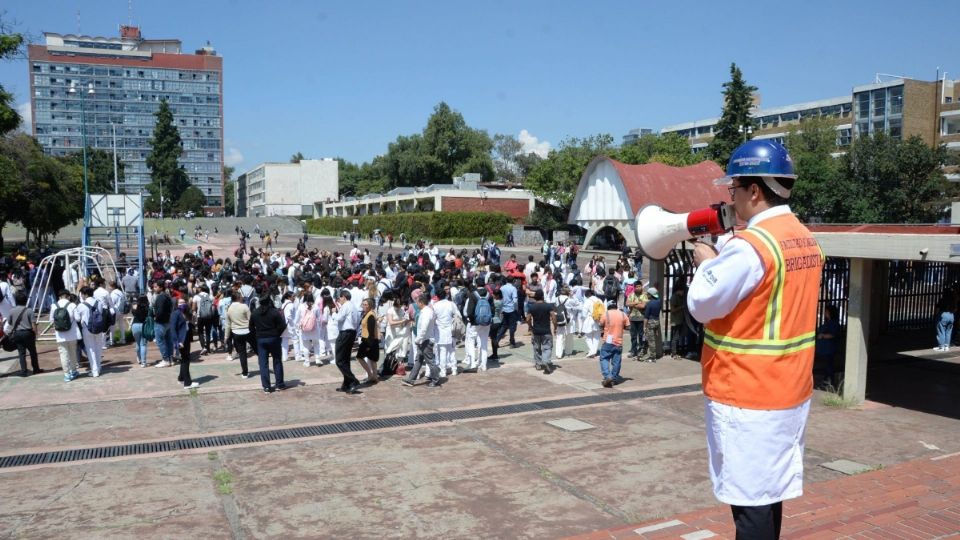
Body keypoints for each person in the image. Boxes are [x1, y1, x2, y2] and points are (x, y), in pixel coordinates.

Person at [688, 140, 822, 538]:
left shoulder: (751, 248)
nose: (731, 197)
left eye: (734, 189)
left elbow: (701, 303)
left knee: (749, 506)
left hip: (747, 394)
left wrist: (707, 264)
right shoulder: (802, 237)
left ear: (754, 191)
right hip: (788, 391)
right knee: (769, 494)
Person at [402, 293, 441, 388]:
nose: (416, 303)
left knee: (430, 361)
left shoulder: (427, 312)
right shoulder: (425, 311)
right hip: (424, 339)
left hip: (426, 340)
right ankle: (411, 379)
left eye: (417, 302)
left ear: (421, 302)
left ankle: (436, 379)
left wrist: (418, 339)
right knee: (418, 360)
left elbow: (424, 327)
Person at [251, 295, 287, 393]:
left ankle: (266, 386)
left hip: (261, 339)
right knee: (277, 361)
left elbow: (250, 328)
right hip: (274, 338)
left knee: (263, 363)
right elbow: (283, 325)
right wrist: (277, 333)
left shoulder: (255, 313)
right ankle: (279, 384)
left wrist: (256, 336)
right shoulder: (274, 312)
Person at [5, 291, 41, 377]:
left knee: (21, 353)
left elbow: (10, 324)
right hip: (28, 333)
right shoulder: (29, 311)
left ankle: (23, 371)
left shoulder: (12, 311)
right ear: (25, 301)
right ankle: (36, 369)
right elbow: (33, 325)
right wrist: (35, 334)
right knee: (33, 352)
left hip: (17, 333)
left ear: (16, 301)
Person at [331, 289, 361, 394]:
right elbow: (357, 321)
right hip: (351, 333)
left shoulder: (346, 305)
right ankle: (347, 384)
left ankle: (353, 380)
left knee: (339, 360)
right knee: (345, 360)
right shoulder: (353, 306)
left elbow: (339, 318)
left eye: (340, 298)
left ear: (344, 297)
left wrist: (334, 313)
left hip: (345, 333)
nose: (339, 300)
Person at [50, 289, 81, 381]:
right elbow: (78, 319)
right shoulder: (72, 305)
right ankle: (74, 371)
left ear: (59, 297)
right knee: (72, 353)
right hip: (72, 333)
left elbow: (51, 321)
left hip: (60, 334)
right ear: (68, 296)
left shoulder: (54, 306)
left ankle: (66, 374)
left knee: (63, 354)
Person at [599, 300, 630, 388]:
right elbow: (628, 327)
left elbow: (600, 325)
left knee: (604, 358)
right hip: (619, 342)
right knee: (616, 362)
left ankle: (607, 376)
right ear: (616, 306)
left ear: (608, 307)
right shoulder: (623, 314)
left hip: (608, 341)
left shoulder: (605, 314)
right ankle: (614, 379)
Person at [224, 291, 254, 379]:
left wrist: (226, 336)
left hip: (236, 332)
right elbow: (250, 319)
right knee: (257, 349)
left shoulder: (229, 309)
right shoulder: (244, 306)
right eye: (241, 296)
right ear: (238, 297)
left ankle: (244, 373)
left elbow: (228, 324)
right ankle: (264, 366)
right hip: (247, 331)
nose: (242, 297)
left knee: (242, 353)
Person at [525, 290, 557, 374]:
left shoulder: (532, 307)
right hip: (546, 331)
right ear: (543, 296)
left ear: (535, 298)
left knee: (536, 348)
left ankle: (538, 364)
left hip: (536, 331)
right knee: (547, 347)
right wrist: (555, 327)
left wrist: (530, 327)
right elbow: (553, 317)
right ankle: (546, 361)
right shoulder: (548, 306)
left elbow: (527, 318)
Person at [171, 298, 198, 389]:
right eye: (180, 303)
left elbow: (191, 323)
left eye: (183, 302)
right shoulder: (175, 314)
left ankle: (181, 378)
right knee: (186, 359)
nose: (182, 304)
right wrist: (177, 342)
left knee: (185, 358)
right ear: (176, 304)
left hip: (186, 338)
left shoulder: (186, 313)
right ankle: (187, 383)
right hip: (180, 340)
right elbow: (173, 329)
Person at [814, 305, 840, 389]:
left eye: (827, 311)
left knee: (829, 366)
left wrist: (822, 336)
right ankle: (827, 382)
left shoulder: (833, 323)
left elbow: (833, 335)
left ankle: (830, 383)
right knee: (827, 366)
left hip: (829, 349)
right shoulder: (828, 322)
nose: (825, 313)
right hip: (824, 349)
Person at [151, 281, 176, 368]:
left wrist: (156, 317)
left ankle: (165, 360)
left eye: (156, 287)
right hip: (168, 321)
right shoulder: (167, 296)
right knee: (168, 341)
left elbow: (160, 311)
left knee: (160, 341)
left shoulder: (160, 297)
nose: (154, 289)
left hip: (161, 322)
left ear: (161, 287)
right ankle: (170, 359)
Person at [356, 298, 380, 384]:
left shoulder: (370, 315)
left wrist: (369, 345)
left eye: (366, 305)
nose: (364, 306)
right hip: (369, 339)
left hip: (368, 340)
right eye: (363, 304)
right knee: (372, 359)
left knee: (360, 357)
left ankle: (370, 375)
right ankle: (374, 376)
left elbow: (371, 331)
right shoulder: (367, 314)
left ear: (370, 306)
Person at [642, 287, 663, 362]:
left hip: (650, 322)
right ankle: (654, 354)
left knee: (651, 340)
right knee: (654, 338)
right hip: (657, 321)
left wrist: (644, 327)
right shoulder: (659, 301)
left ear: (651, 295)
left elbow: (646, 317)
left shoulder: (649, 303)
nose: (647, 295)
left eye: (648, 294)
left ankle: (652, 357)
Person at [130, 294, 150, 368]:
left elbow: (133, 312)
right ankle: (143, 362)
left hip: (135, 326)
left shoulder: (136, 307)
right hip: (144, 326)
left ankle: (139, 359)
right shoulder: (148, 308)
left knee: (137, 343)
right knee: (143, 344)